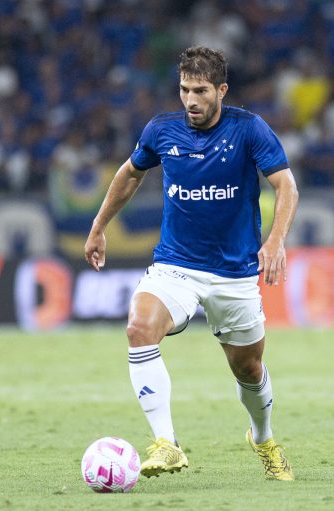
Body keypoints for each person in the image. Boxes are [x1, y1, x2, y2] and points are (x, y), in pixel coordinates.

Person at [84, 47, 299, 481]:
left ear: (221, 89)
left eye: (200, 90)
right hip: (175, 264)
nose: (190, 100)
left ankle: (263, 438)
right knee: (139, 328)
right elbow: (129, 174)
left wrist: (275, 241)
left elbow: (286, 185)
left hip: (234, 273)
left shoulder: (249, 129)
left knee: (249, 368)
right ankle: (166, 444)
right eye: (184, 90)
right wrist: (99, 225)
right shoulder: (161, 131)